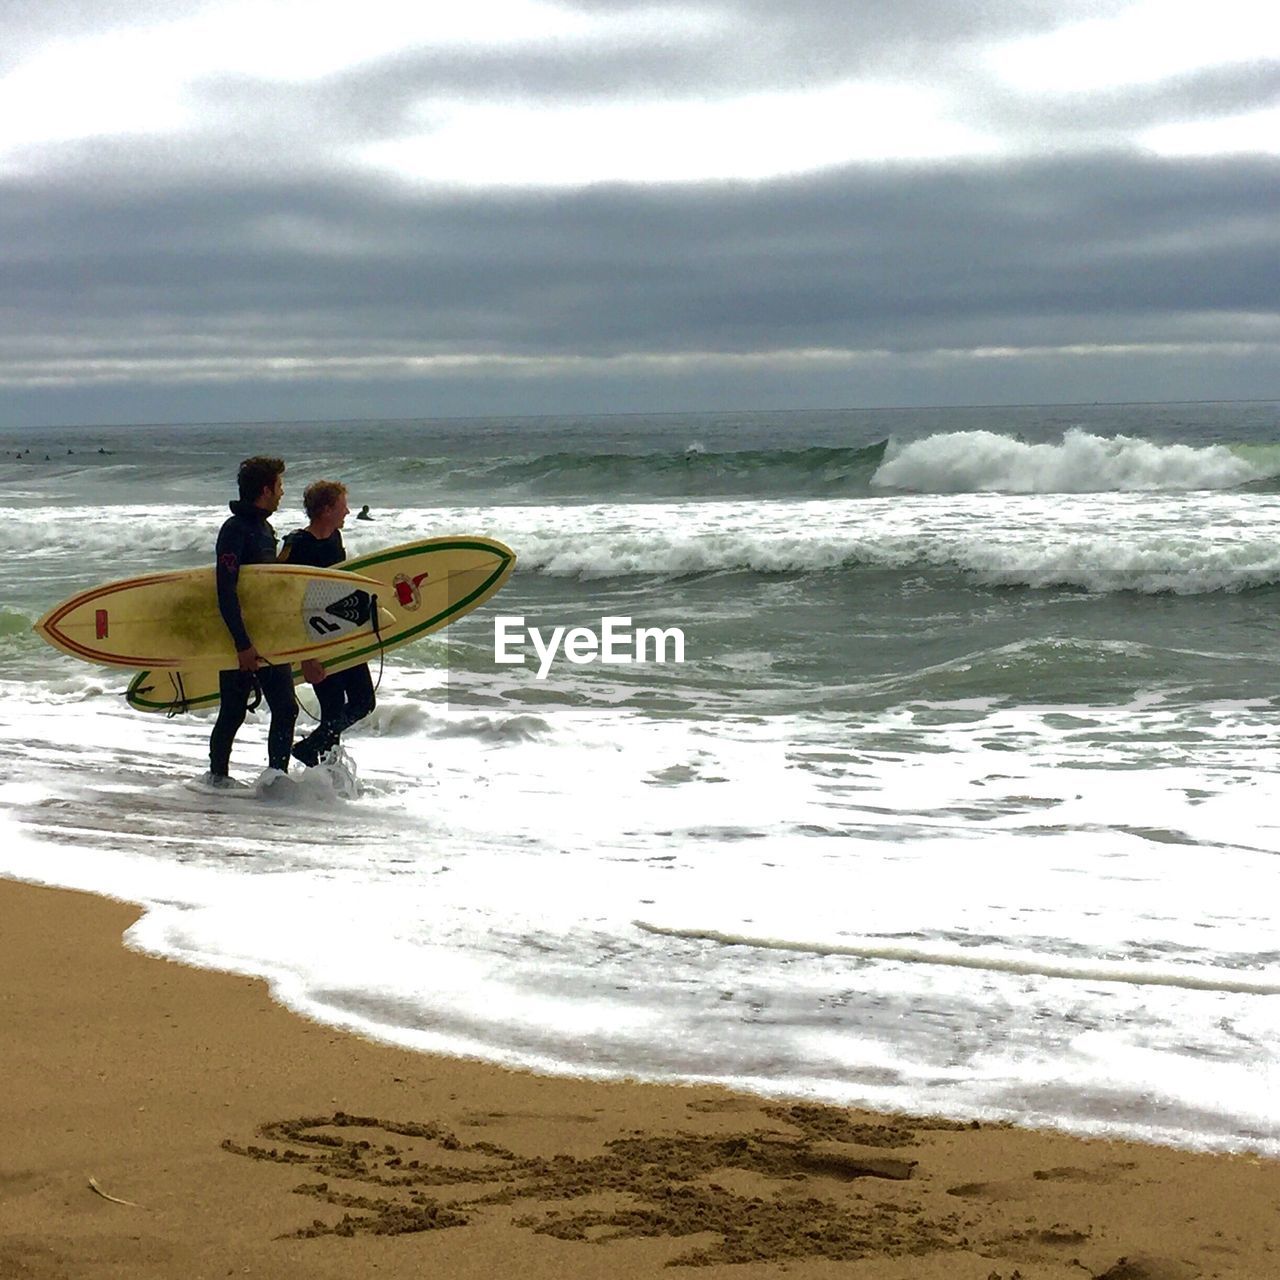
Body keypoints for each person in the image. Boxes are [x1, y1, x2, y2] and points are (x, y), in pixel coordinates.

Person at [207, 456, 297, 785]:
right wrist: (242, 644)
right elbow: (226, 590)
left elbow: (263, 586)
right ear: (265, 489)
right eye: (279, 486)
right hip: (241, 639)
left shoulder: (264, 528)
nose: (282, 493)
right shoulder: (235, 531)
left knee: (286, 709)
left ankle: (276, 781)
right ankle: (217, 779)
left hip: (268, 637)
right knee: (232, 714)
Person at [278, 480, 376, 766]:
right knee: (333, 709)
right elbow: (286, 605)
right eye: (342, 505)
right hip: (315, 640)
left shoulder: (335, 540)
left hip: (342, 635)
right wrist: (306, 656)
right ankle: (324, 774)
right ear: (326, 509)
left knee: (363, 703)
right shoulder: (296, 546)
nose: (348, 511)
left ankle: (313, 755)